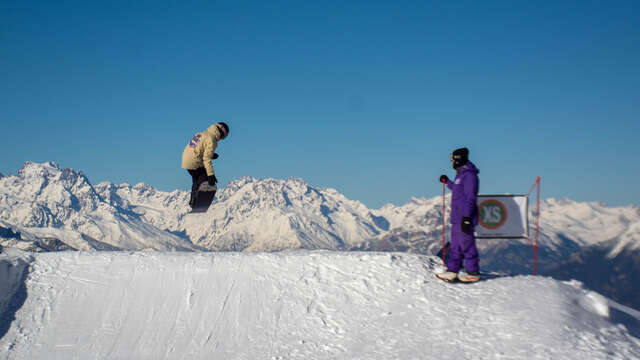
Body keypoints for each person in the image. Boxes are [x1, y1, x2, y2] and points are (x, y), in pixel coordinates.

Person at [437, 147, 480, 283]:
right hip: (456, 218)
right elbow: (457, 189)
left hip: (464, 217)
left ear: (458, 159)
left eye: (452, 159)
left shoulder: (470, 176)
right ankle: (452, 271)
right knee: (455, 246)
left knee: (467, 244)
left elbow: (470, 197)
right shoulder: (460, 175)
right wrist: (447, 181)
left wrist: (467, 217)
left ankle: (473, 272)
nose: (452, 162)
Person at [181, 122, 229, 208]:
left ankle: (193, 201)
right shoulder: (212, 140)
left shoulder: (200, 134)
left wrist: (211, 154)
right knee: (204, 177)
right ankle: (197, 202)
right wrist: (211, 175)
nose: (221, 138)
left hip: (186, 159)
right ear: (220, 129)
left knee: (196, 178)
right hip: (194, 161)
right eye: (223, 135)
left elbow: (196, 147)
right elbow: (207, 159)